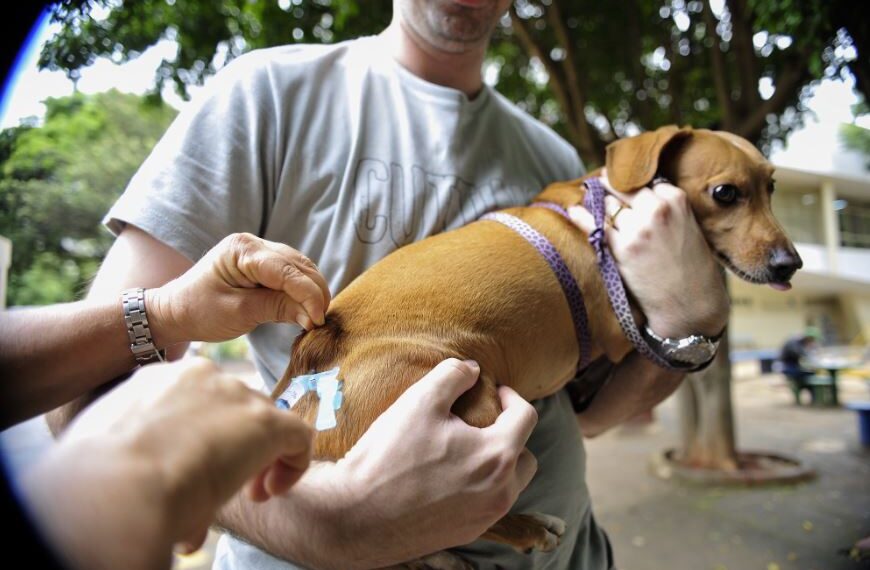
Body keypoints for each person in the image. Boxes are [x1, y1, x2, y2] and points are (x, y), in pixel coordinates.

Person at [44, 1, 729, 568]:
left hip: (565, 550)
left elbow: (589, 415)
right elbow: (86, 392)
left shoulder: (550, 161)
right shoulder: (265, 97)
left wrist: (693, 327)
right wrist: (335, 524)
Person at [779, 332, 819, 403]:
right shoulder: (794, 342)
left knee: (811, 374)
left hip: (793, 365)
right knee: (811, 375)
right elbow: (800, 354)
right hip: (788, 367)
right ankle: (814, 396)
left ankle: (814, 396)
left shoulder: (799, 342)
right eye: (811, 340)